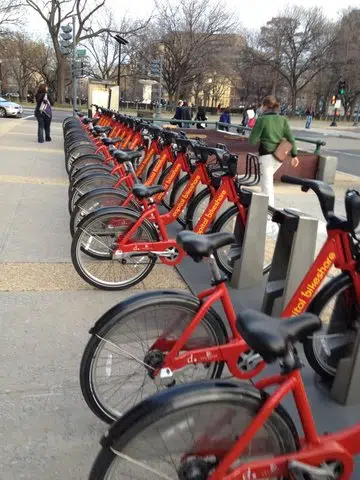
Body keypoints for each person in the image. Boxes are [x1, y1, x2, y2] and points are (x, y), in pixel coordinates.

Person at [249, 95, 299, 208]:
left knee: (267, 186)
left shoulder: (261, 120)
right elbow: (291, 138)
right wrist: (294, 156)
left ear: (265, 106)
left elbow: (252, 141)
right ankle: (262, 208)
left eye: (262, 106)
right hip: (279, 157)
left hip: (266, 156)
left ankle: (269, 213)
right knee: (265, 183)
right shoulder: (283, 120)